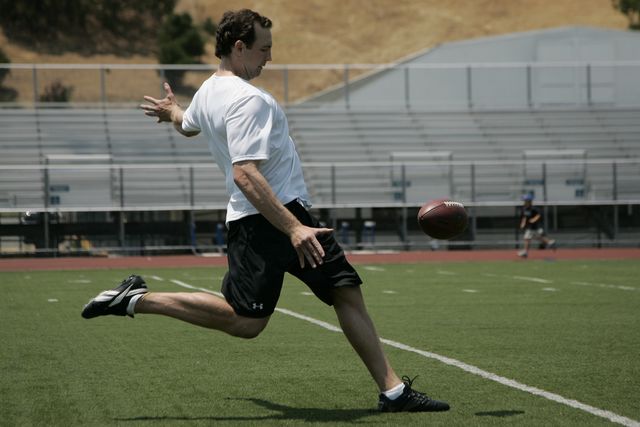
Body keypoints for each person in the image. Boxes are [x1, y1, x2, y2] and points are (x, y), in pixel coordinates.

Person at [81, 9, 449, 413]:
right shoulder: (249, 100)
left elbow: (188, 124)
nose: (269, 58)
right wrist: (294, 228)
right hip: (279, 215)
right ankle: (393, 392)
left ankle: (137, 299)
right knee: (342, 293)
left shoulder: (208, 91)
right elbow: (245, 173)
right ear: (239, 48)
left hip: (250, 221)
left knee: (248, 320)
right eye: (263, 49)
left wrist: (171, 113)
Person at [517, 193, 556, 258]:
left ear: (529, 201)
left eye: (526, 201)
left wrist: (534, 219)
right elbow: (524, 217)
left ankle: (525, 252)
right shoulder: (524, 209)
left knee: (527, 238)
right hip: (529, 227)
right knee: (536, 237)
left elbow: (539, 215)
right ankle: (550, 242)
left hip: (535, 226)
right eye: (524, 201)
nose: (524, 202)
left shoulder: (534, 208)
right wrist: (522, 223)